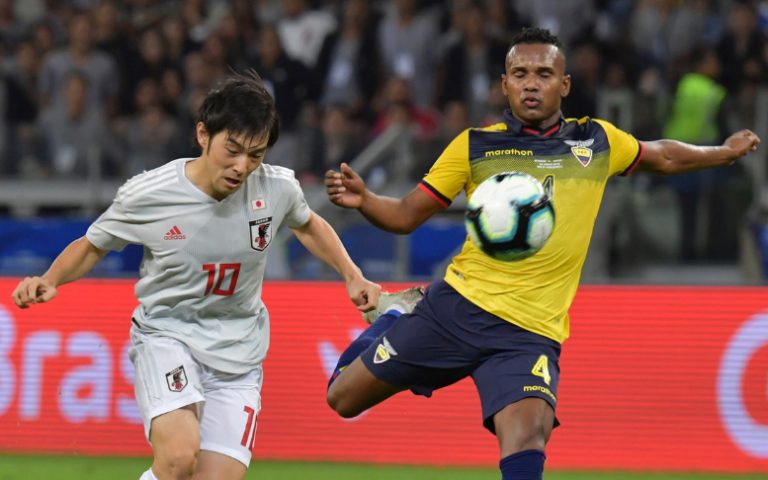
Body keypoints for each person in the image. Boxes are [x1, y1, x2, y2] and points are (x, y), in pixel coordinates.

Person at [323, 27, 759, 480]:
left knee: (529, 438)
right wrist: (365, 200)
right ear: (505, 83)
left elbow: (663, 155)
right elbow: (405, 215)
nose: (531, 84)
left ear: (564, 84)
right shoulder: (475, 145)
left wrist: (723, 153)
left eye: (544, 74)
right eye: (520, 74)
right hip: (455, 310)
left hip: (529, 333)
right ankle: (397, 314)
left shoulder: (596, 141)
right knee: (342, 398)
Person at [11, 72, 381, 480]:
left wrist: (353, 275)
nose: (242, 167)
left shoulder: (276, 188)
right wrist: (50, 280)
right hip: (168, 335)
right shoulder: (149, 194)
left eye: (255, 155)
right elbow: (93, 244)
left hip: (239, 353)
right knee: (178, 459)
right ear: (203, 134)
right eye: (232, 150)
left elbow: (308, 224)